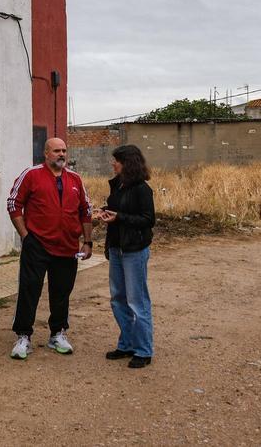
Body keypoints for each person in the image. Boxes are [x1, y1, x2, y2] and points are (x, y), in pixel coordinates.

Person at [6, 137, 93, 360]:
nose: (61, 154)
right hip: (37, 245)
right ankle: (23, 336)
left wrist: (88, 241)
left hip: (67, 247)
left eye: (64, 150)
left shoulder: (75, 179)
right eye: (56, 151)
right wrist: (26, 237)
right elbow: (14, 203)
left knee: (62, 292)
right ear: (46, 153)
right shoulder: (31, 174)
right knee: (29, 289)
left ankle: (57, 334)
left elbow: (86, 210)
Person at [94, 144, 155, 369]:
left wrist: (119, 217)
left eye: (116, 160)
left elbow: (148, 220)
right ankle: (127, 343)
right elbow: (119, 212)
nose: (113, 163)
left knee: (137, 301)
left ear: (127, 163)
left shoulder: (142, 189)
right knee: (118, 299)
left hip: (134, 250)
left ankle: (143, 350)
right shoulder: (117, 186)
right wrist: (106, 211)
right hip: (117, 249)